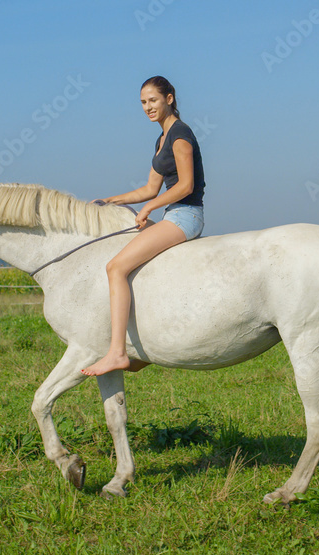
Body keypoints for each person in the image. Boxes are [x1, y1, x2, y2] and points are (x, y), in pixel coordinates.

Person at [81, 75, 205, 377]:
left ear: (169, 99)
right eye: (143, 103)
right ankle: (143, 346)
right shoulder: (162, 139)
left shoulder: (179, 135)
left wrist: (150, 208)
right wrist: (112, 201)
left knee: (116, 268)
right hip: (172, 214)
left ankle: (117, 352)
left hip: (186, 215)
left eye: (153, 100)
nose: (148, 107)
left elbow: (187, 185)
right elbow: (150, 188)